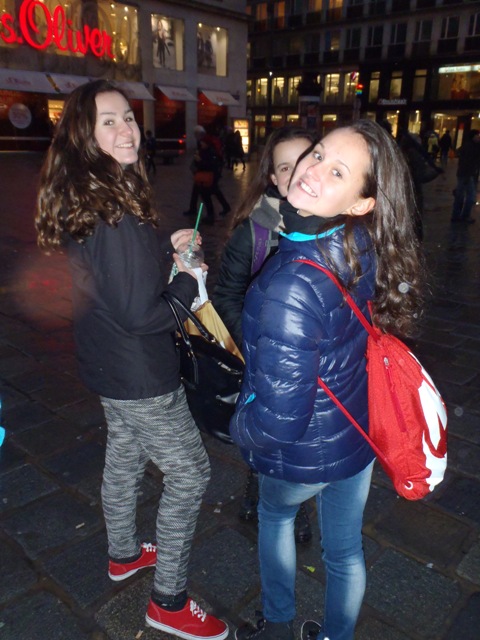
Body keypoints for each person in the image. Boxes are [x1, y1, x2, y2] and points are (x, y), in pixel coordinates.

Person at [34, 80, 228, 640]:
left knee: (123, 456)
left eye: (127, 117)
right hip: (139, 370)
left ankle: (123, 554)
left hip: (108, 363)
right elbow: (143, 314)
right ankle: (168, 602)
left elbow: (117, 277)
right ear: (83, 135)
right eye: (108, 121)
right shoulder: (110, 209)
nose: (126, 130)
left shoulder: (101, 193)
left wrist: (166, 247)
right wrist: (188, 280)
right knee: (190, 474)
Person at [230, 120, 426, 640]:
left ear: (361, 202)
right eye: (318, 154)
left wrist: (239, 428)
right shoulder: (359, 241)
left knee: (274, 516)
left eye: (338, 171)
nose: (312, 170)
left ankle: (277, 626)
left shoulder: (292, 281)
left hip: (304, 451)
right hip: (356, 434)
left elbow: (280, 420)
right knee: (344, 551)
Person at [213, 126, 317, 542]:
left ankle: (292, 501)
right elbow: (226, 293)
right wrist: (254, 346)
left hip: (311, 355)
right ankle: (260, 488)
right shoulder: (256, 229)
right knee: (268, 428)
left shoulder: (335, 222)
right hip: (262, 355)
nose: (297, 174)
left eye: (305, 161)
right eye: (285, 167)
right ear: (273, 177)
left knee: (303, 431)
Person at [183, 125, 230, 222]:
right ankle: (199, 210)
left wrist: (199, 161)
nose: (201, 143)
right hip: (203, 175)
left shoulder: (210, 151)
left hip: (209, 176)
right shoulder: (204, 148)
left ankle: (211, 214)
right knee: (206, 192)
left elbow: (210, 164)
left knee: (207, 194)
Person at [451, 129, 480, 224]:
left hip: (466, 174)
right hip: (466, 174)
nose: (478, 137)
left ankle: (457, 215)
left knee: (461, 195)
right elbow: (466, 162)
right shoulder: (470, 147)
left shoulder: (472, 146)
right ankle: (463, 215)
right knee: (470, 196)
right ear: (473, 136)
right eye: (477, 135)